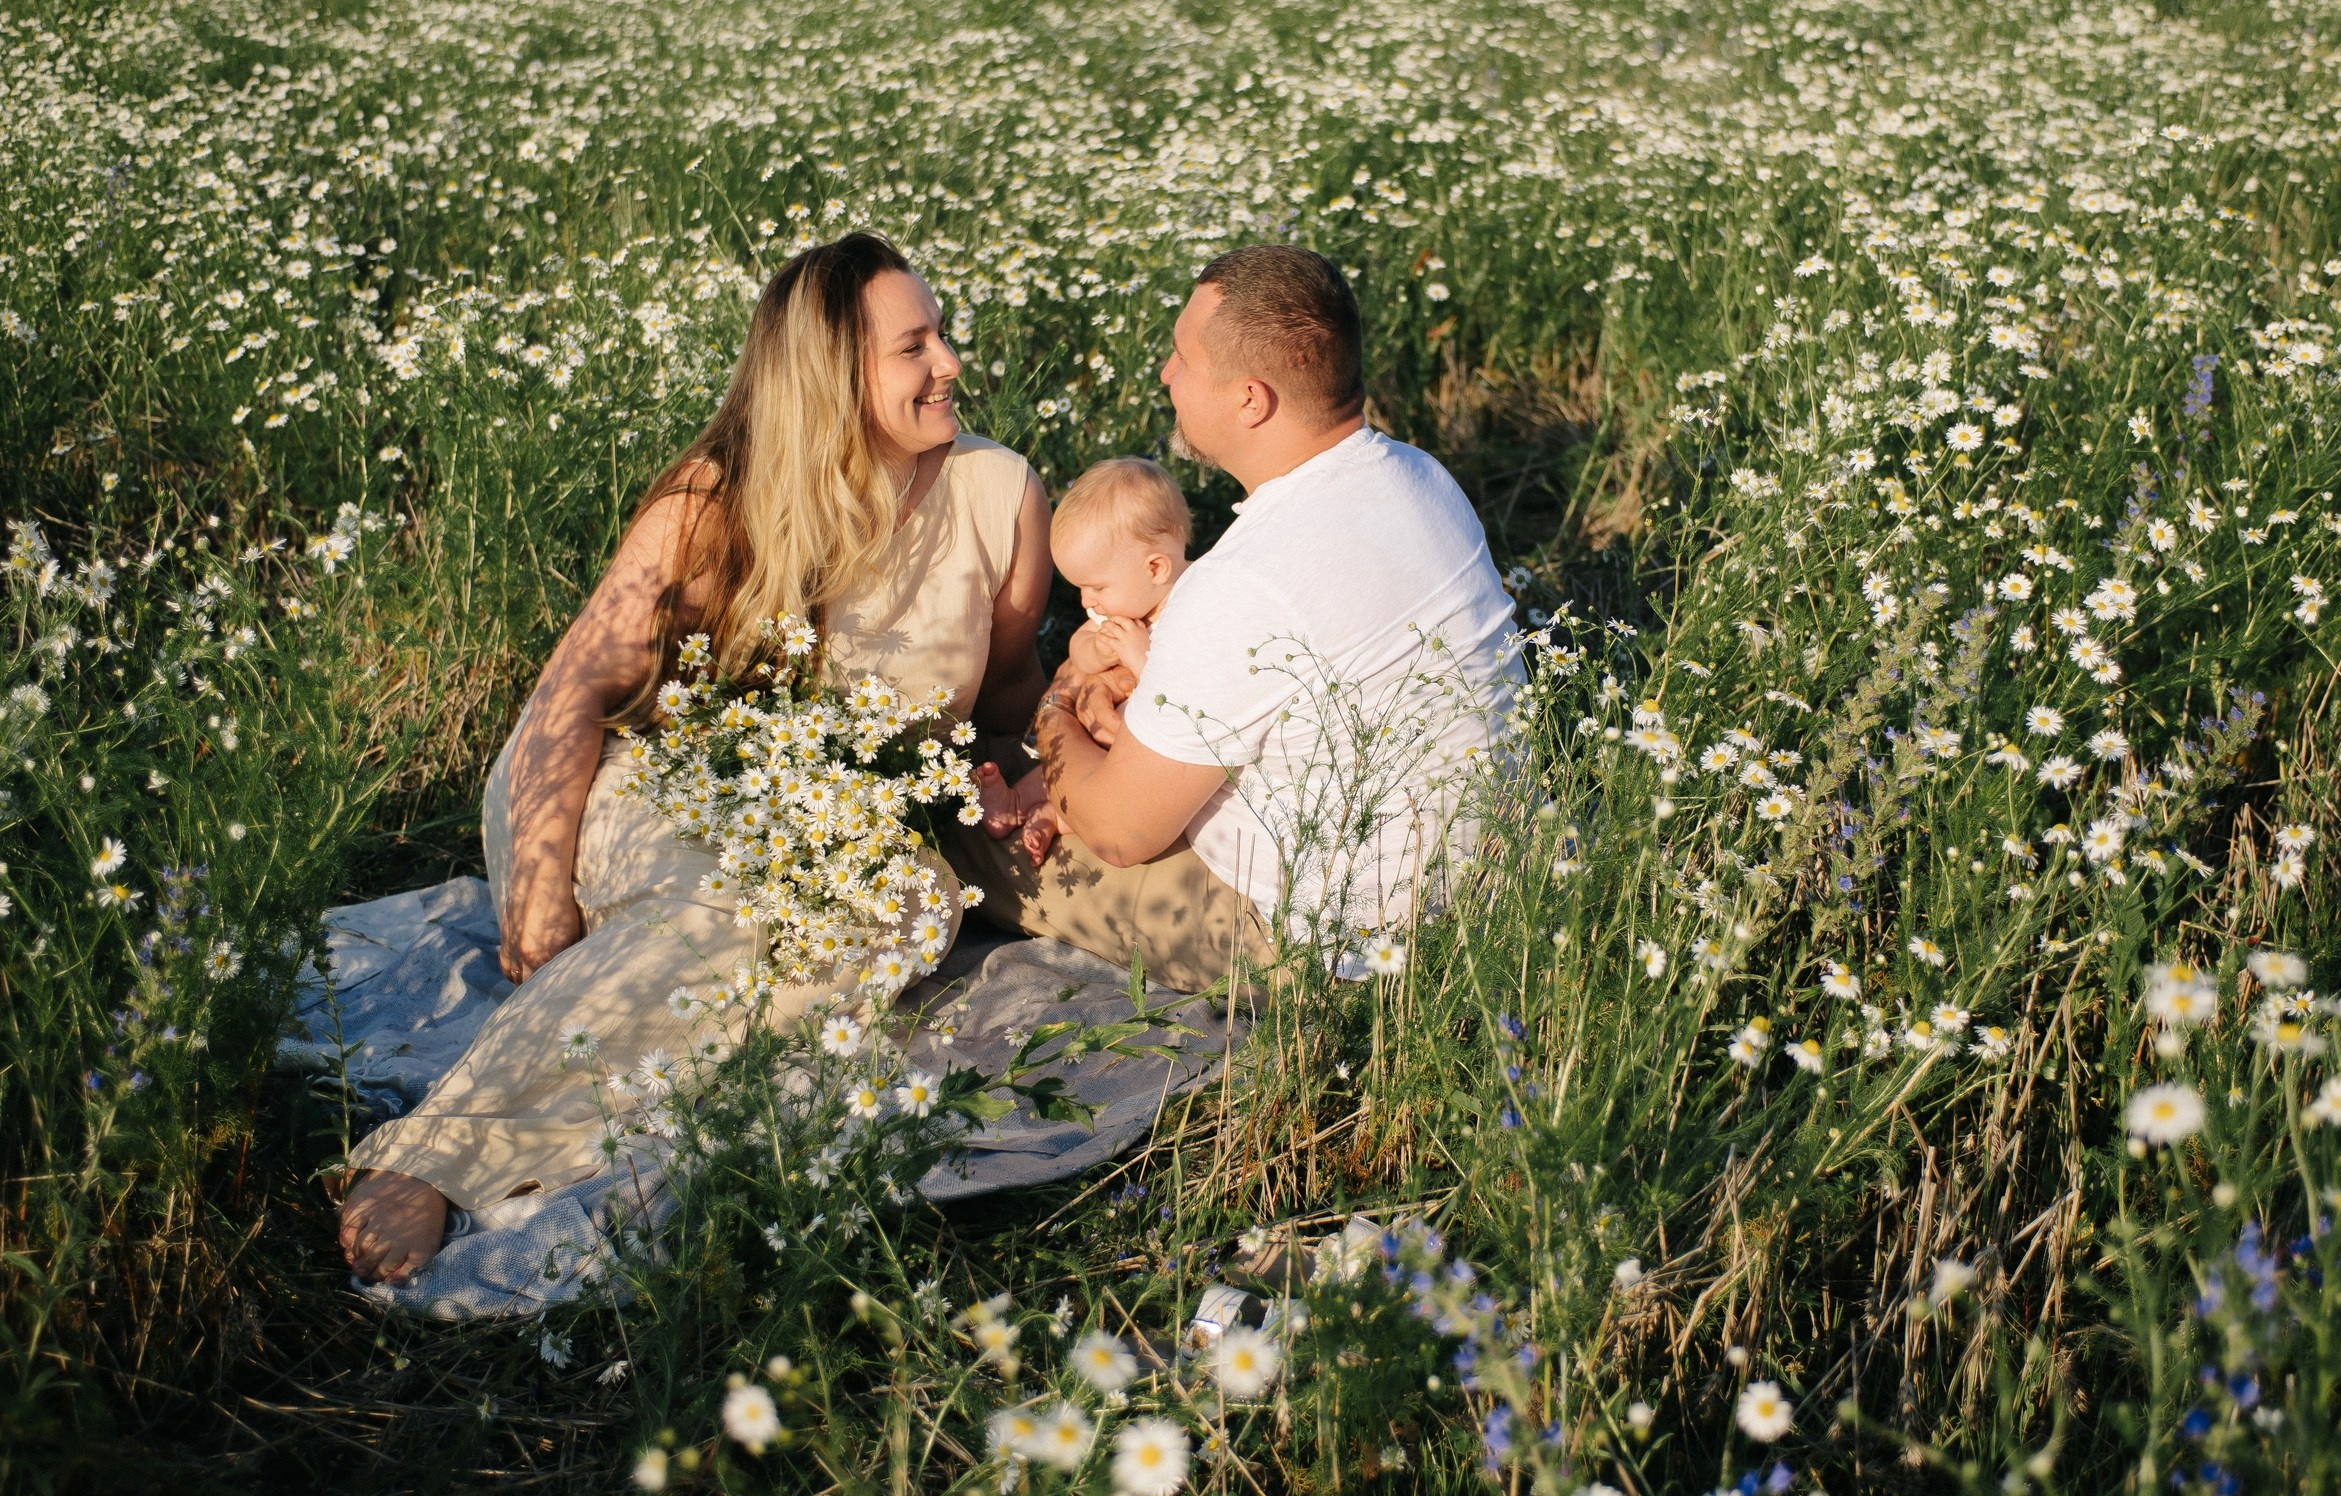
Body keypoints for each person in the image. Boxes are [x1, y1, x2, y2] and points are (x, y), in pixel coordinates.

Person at [337, 233, 1052, 1285]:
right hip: (638, 780)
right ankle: (442, 1156)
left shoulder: (999, 492)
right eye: (915, 346)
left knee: (903, 900)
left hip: (826, 825)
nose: (949, 361)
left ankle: (624, 1073)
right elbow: (573, 692)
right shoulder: (716, 502)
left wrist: (1031, 764)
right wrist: (537, 885)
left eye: (939, 334)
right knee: (729, 905)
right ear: (830, 376)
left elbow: (1005, 700)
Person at [956, 244, 1519, 985]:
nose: (1165, 374)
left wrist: (1058, 703)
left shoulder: (1245, 581)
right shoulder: (1423, 477)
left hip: (1332, 941)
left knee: (964, 826)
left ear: (1251, 399)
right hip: (1490, 885)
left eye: (1183, 359)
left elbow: (1122, 834)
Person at [973, 457, 1192, 862]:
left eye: (1095, 587)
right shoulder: (1120, 604)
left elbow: (1183, 689)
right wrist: (1098, 649)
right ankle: (1019, 801)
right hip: (1098, 742)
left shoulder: (1190, 608)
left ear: (1156, 567)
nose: (1087, 601)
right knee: (1057, 768)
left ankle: (1056, 816)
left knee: (1111, 781)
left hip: (1144, 758)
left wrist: (1140, 659)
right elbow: (1079, 648)